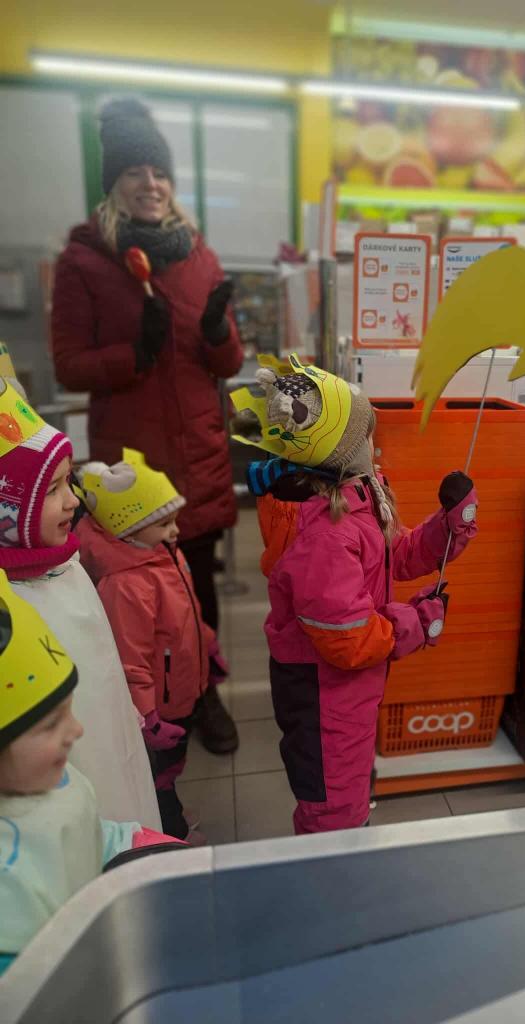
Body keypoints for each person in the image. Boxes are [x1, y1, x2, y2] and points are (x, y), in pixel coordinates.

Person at [50, 97, 243, 754]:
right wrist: (134, 353)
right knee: (136, 598)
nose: (149, 183)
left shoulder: (198, 256)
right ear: (115, 182)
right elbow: (69, 364)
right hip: (131, 471)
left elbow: (227, 361)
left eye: (158, 171)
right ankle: (148, 707)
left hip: (196, 458)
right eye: (134, 171)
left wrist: (216, 333)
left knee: (196, 588)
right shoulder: (85, 261)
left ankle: (205, 694)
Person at [232, 356, 478, 833]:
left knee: (347, 796)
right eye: (368, 436)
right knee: (333, 817)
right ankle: (333, 876)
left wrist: (449, 527)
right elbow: (349, 638)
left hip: (348, 693)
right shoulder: (326, 534)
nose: (375, 447)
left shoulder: (353, 500)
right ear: (342, 451)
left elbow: (394, 555)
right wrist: (416, 623)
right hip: (324, 695)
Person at [0, 570, 182, 976]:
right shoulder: (8, 889)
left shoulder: (55, 782)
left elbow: (88, 835)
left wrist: (142, 844)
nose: (77, 731)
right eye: (51, 725)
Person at [0, 381, 160, 828]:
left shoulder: (65, 563)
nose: (73, 499)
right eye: (52, 489)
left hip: (111, 741)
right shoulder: (10, 606)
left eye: (68, 481)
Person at [76, 449, 225, 842]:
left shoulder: (162, 554)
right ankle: (169, 831)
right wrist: (148, 716)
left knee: (173, 763)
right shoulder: (126, 584)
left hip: (181, 688)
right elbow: (130, 660)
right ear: (129, 528)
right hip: (160, 704)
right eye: (163, 524)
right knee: (157, 771)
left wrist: (208, 645)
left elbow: (186, 613)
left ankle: (169, 803)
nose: (175, 531)